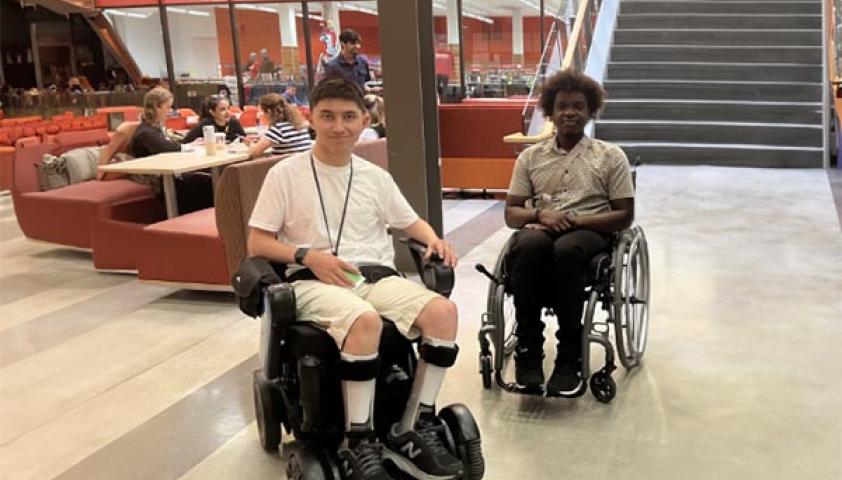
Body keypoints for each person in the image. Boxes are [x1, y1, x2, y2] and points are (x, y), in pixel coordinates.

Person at [247, 76, 464, 480]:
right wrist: (307, 255)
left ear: (365, 120)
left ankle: (412, 426)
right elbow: (257, 241)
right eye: (327, 116)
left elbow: (410, 221)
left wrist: (434, 239)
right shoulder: (285, 174)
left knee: (443, 313)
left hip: (374, 277)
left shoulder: (374, 177)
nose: (338, 126)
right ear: (311, 118)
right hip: (312, 279)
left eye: (349, 117)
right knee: (364, 322)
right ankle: (357, 440)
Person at [504, 70, 635, 396]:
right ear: (550, 112)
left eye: (579, 106)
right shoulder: (531, 157)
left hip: (588, 230)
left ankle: (569, 353)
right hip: (542, 225)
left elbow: (624, 215)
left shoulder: (610, 156)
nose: (570, 113)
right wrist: (540, 214)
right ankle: (529, 350)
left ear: (591, 111)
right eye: (562, 106)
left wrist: (576, 220)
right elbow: (511, 212)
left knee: (567, 251)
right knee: (528, 245)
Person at [129, 87, 213, 214]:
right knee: (206, 185)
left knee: (208, 181)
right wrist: (190, 146)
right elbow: (167, 150)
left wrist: (189, 146)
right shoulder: (146, 132)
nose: (170, 111)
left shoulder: (154, 128)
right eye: (167, 107)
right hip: (157, 180)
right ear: (156, 107)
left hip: (166, 175)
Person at [247, 93, 312, 158]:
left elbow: (253, 153)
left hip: (287, 166)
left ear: (269, 112)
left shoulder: (278, 129)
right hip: (304, 164)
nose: (258, 115)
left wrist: (251, 144)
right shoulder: (299, 125)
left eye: (261, 111)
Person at [181, 95, 247, 144]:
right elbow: (186, 141)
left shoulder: (234, 123)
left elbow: (245, 140)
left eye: (228, 108)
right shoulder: (206, 124)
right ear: (212, 112)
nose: (227, 112)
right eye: (222, 109)